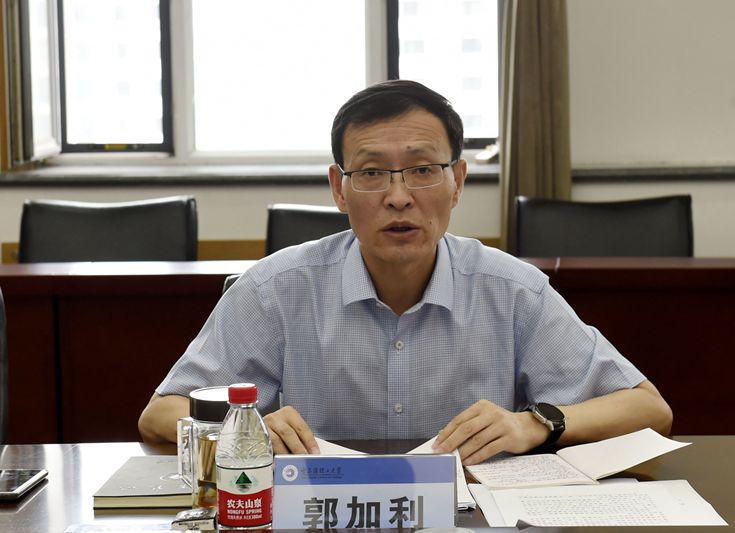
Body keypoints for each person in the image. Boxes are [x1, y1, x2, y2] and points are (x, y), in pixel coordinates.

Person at [139, 80, 672, 465]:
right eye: (372, 172)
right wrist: (247, 428)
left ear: (458, 181)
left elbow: (649, 409)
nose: (398, 197)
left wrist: (533, 423)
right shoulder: (274, 290)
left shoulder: (512, 290)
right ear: (339, 188)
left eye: (422, 169)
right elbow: (161, 414)